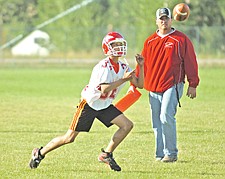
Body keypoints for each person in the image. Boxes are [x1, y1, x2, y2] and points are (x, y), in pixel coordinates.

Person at [29, 31, 144, 171]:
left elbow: (140, 85)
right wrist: (124, 79)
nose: (119, 47)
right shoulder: (103, 66)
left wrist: (141, 67)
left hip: (105, 105)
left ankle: (106, 154)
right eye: (115, 44)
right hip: (90, 104)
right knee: (69, 138)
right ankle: (39, 153)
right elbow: (104, 89)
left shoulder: (124, 66)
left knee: (127, 125)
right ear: (107, 47)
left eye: (120, 44)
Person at [135, 7, 200, 162]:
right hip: (153, 87)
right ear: (157, 21)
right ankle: (160, 154)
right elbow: (142, 65)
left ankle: (171, 153)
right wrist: (136, 80)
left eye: (166, 18)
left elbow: (191, 62)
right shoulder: (149, 41)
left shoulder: (181, 39)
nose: (164, 21)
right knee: (156, 122)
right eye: (161, 19)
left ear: (172, 20)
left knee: (166, 116)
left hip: (172, 84)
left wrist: (193, 83)